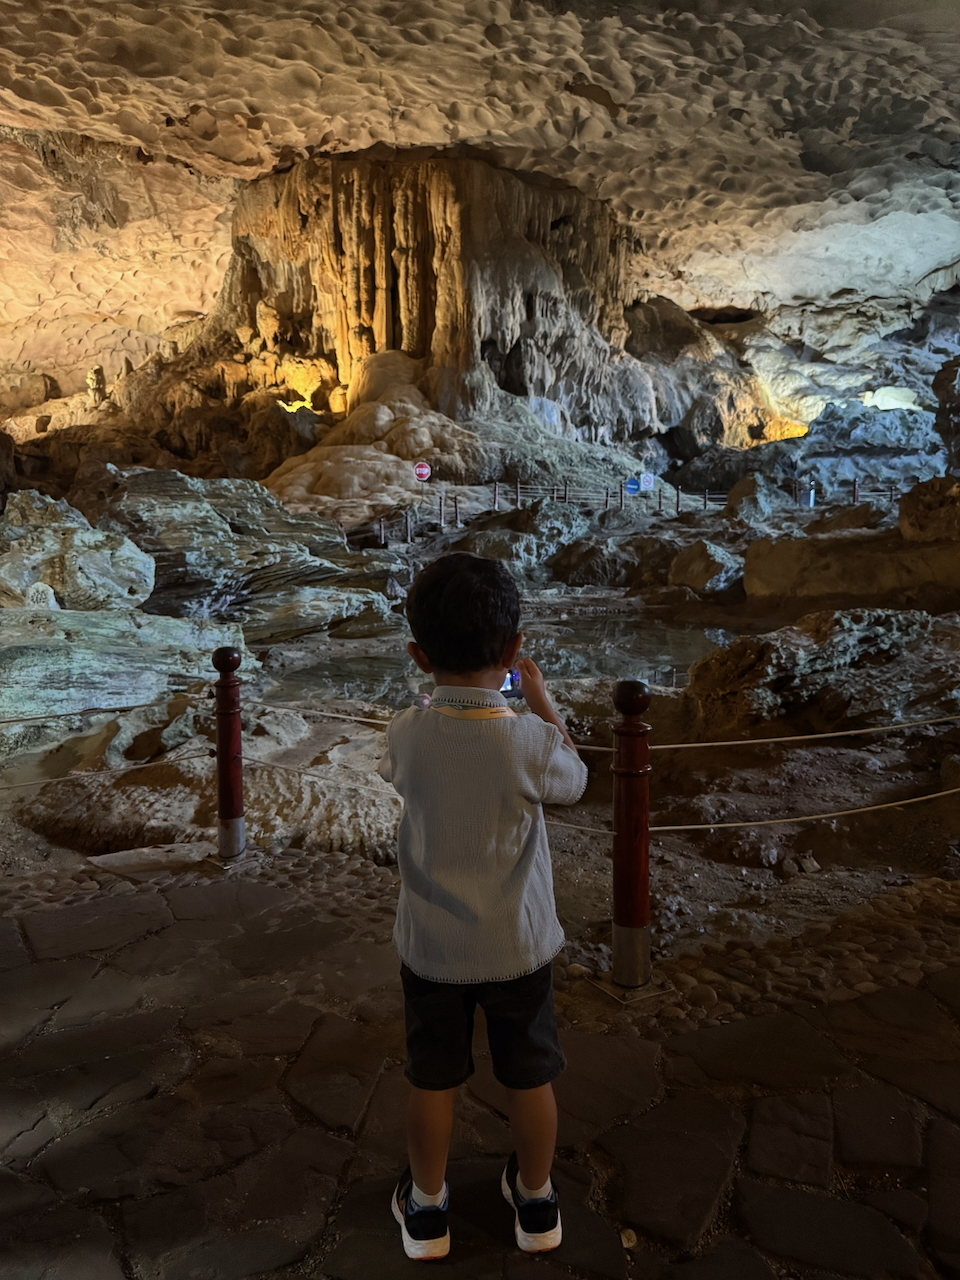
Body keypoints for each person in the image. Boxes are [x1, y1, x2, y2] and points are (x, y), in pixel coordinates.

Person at [378, 552, 588, 1261]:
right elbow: (576, 778)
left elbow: (396, 767)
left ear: (417, 653)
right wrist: (541, 700)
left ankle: (428, 1211)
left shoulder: (408, 731)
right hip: (516, 947)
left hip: (432, 947)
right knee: (531, 1074)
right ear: (514, 650)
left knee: (432, 1078)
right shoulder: (527, 742)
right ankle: (536, 1201)